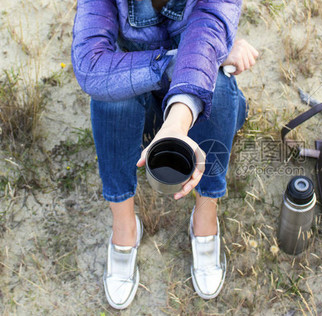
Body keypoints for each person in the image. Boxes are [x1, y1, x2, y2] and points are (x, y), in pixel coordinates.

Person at [71, 0, 258, 309]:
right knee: (108, 97)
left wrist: (176, 124)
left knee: (219, 85)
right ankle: (124, 226)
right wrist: (188, 59)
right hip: (140, 96)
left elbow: (206, 32)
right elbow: (91, 66)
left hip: (193, 107)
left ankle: (205, 214)